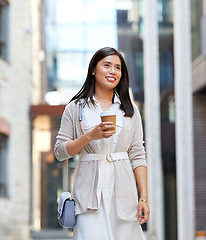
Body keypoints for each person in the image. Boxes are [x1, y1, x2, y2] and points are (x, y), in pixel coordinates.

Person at [54, 47, 149, 240]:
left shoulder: (130, 109)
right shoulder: (76, 108)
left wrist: (143, 198)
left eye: (118, 67)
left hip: (123, 193)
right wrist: (90, 136)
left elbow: (137, 154)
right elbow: (60, 152)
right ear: (93, 70)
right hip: (87, 195)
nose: (113, 71)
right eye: (107, 65)